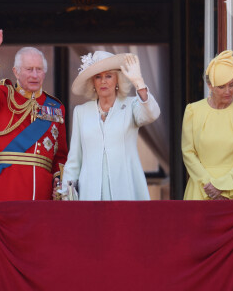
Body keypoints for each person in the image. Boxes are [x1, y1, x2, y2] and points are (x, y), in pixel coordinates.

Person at [0, 20, 68, 201]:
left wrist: (58, 183)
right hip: (6, 188)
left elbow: (60, 155)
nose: (35, 75)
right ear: (15, 71)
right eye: (29, 69)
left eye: (39, 69)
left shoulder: (55, 107)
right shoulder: (2, 96)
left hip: (42, 192)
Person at [60, 51, 160, 200]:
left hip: (125, 190)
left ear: (118, 80)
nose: (103, 81)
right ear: (92, 82)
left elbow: (151, 114)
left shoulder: (132, 105)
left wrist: (139, 82)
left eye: (108, 76)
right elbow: (75, 159)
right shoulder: (81, 112)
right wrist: (66, 193)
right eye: (98, 77)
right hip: (90, 193)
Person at [182, 50, 233, 200]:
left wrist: (224, 184)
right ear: (210, 85)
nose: (228, 91)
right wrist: (209, 185)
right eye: (222, 87)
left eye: (231, 85)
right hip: (201, 189)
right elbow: (188, 153)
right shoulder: (193, 111)